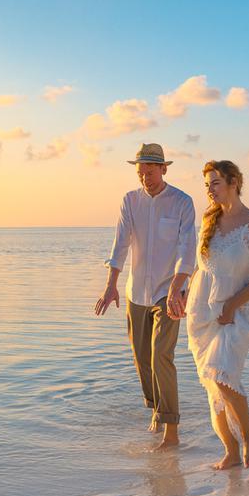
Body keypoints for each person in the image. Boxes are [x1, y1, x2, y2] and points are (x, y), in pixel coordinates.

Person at [94, 143, 197, 451]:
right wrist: (111, 283)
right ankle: (156, 408)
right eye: (140, 173)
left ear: (163, 169)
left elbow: (187, 247)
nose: (145, 178)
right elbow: (120, 244)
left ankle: (171, 430)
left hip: (169, 292)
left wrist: (179, 285)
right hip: (136, 292)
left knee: (160, 356)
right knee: (142, 360)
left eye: (150, 172)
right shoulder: (130, 201)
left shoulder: (182, 202)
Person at [186, 160, 249, 469]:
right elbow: (200, 267)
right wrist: (180, 293)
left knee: (223, 375)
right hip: (202, 311)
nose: (209, 190)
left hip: (236, 311)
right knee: (211, 382)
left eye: (215, 183)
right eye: (206, 184)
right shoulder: (209, 220)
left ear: (234, 181)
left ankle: (248, 437)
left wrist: (231, 306)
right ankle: (230, 451)